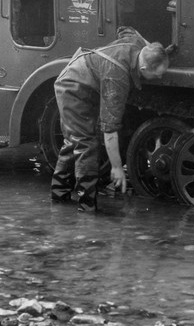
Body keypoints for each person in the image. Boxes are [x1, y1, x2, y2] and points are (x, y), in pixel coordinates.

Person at [51, 26, 170, 211]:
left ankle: (59, 196)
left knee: (73, 140)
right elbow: (110, 130)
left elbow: (125, 29)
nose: (160, 77)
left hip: (85, 81)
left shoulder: (138, 44)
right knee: (86, 143)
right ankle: (87, 207)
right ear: (144, 68)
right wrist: (116, 168)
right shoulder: (117, 78)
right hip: (72, 87)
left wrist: (151, 47)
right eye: (157, 75)